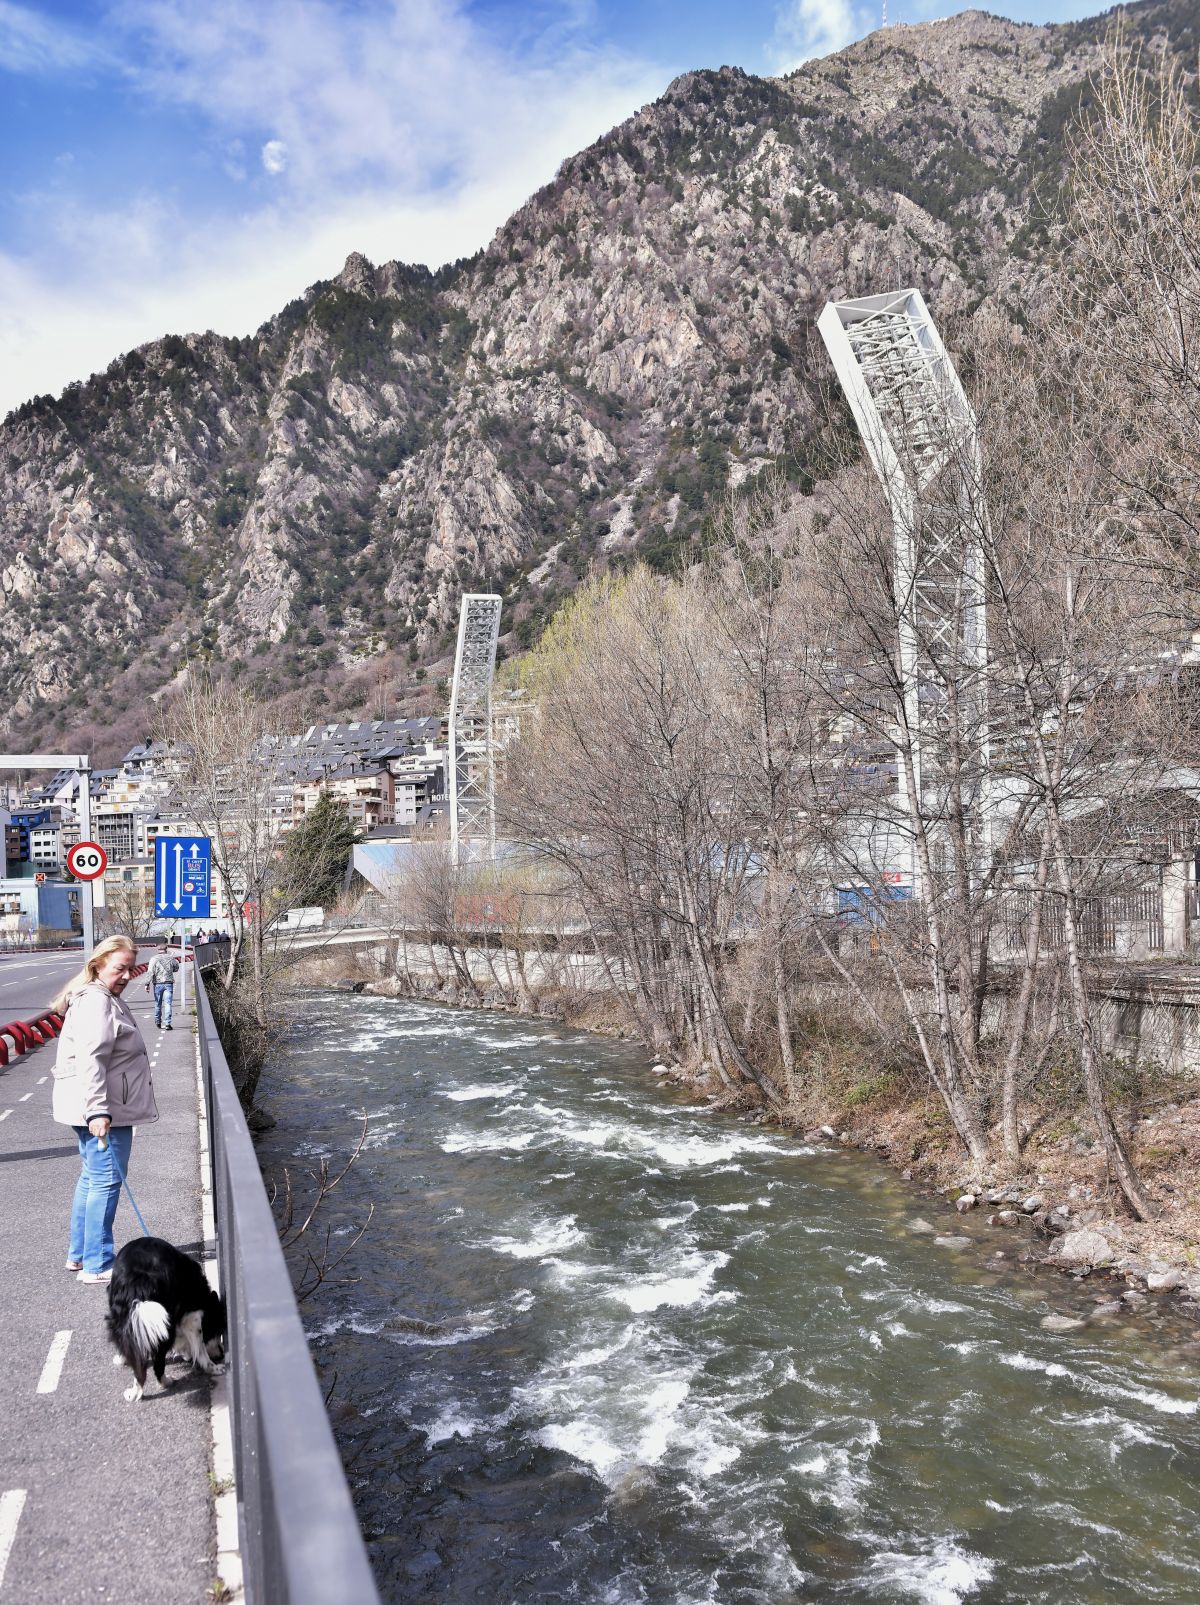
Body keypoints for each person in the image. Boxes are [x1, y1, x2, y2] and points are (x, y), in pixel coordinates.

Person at [50, 936, 159, 1284]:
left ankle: (81, 1255)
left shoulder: (101, 996)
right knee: (105, 1182)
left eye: (129, 968)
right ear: (98, 965)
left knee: (92, 1179)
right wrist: (98, 1111)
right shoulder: (97, 1002)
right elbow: (92, 1060)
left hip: (98, 1105)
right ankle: (98, 1263)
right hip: (104, 1108)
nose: (126, 975)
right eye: (119, 968)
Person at [145, 939, 180, 1030]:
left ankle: (158, 1022)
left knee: (158, 1003)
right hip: (168, 983)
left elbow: (150, 972)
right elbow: (176, 968)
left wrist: (147, 984)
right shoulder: (171, 958)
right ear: (166, 949)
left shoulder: (153, 959)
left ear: (158, 950)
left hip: (158, 984)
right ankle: (168, 1024)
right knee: (168, 1003)